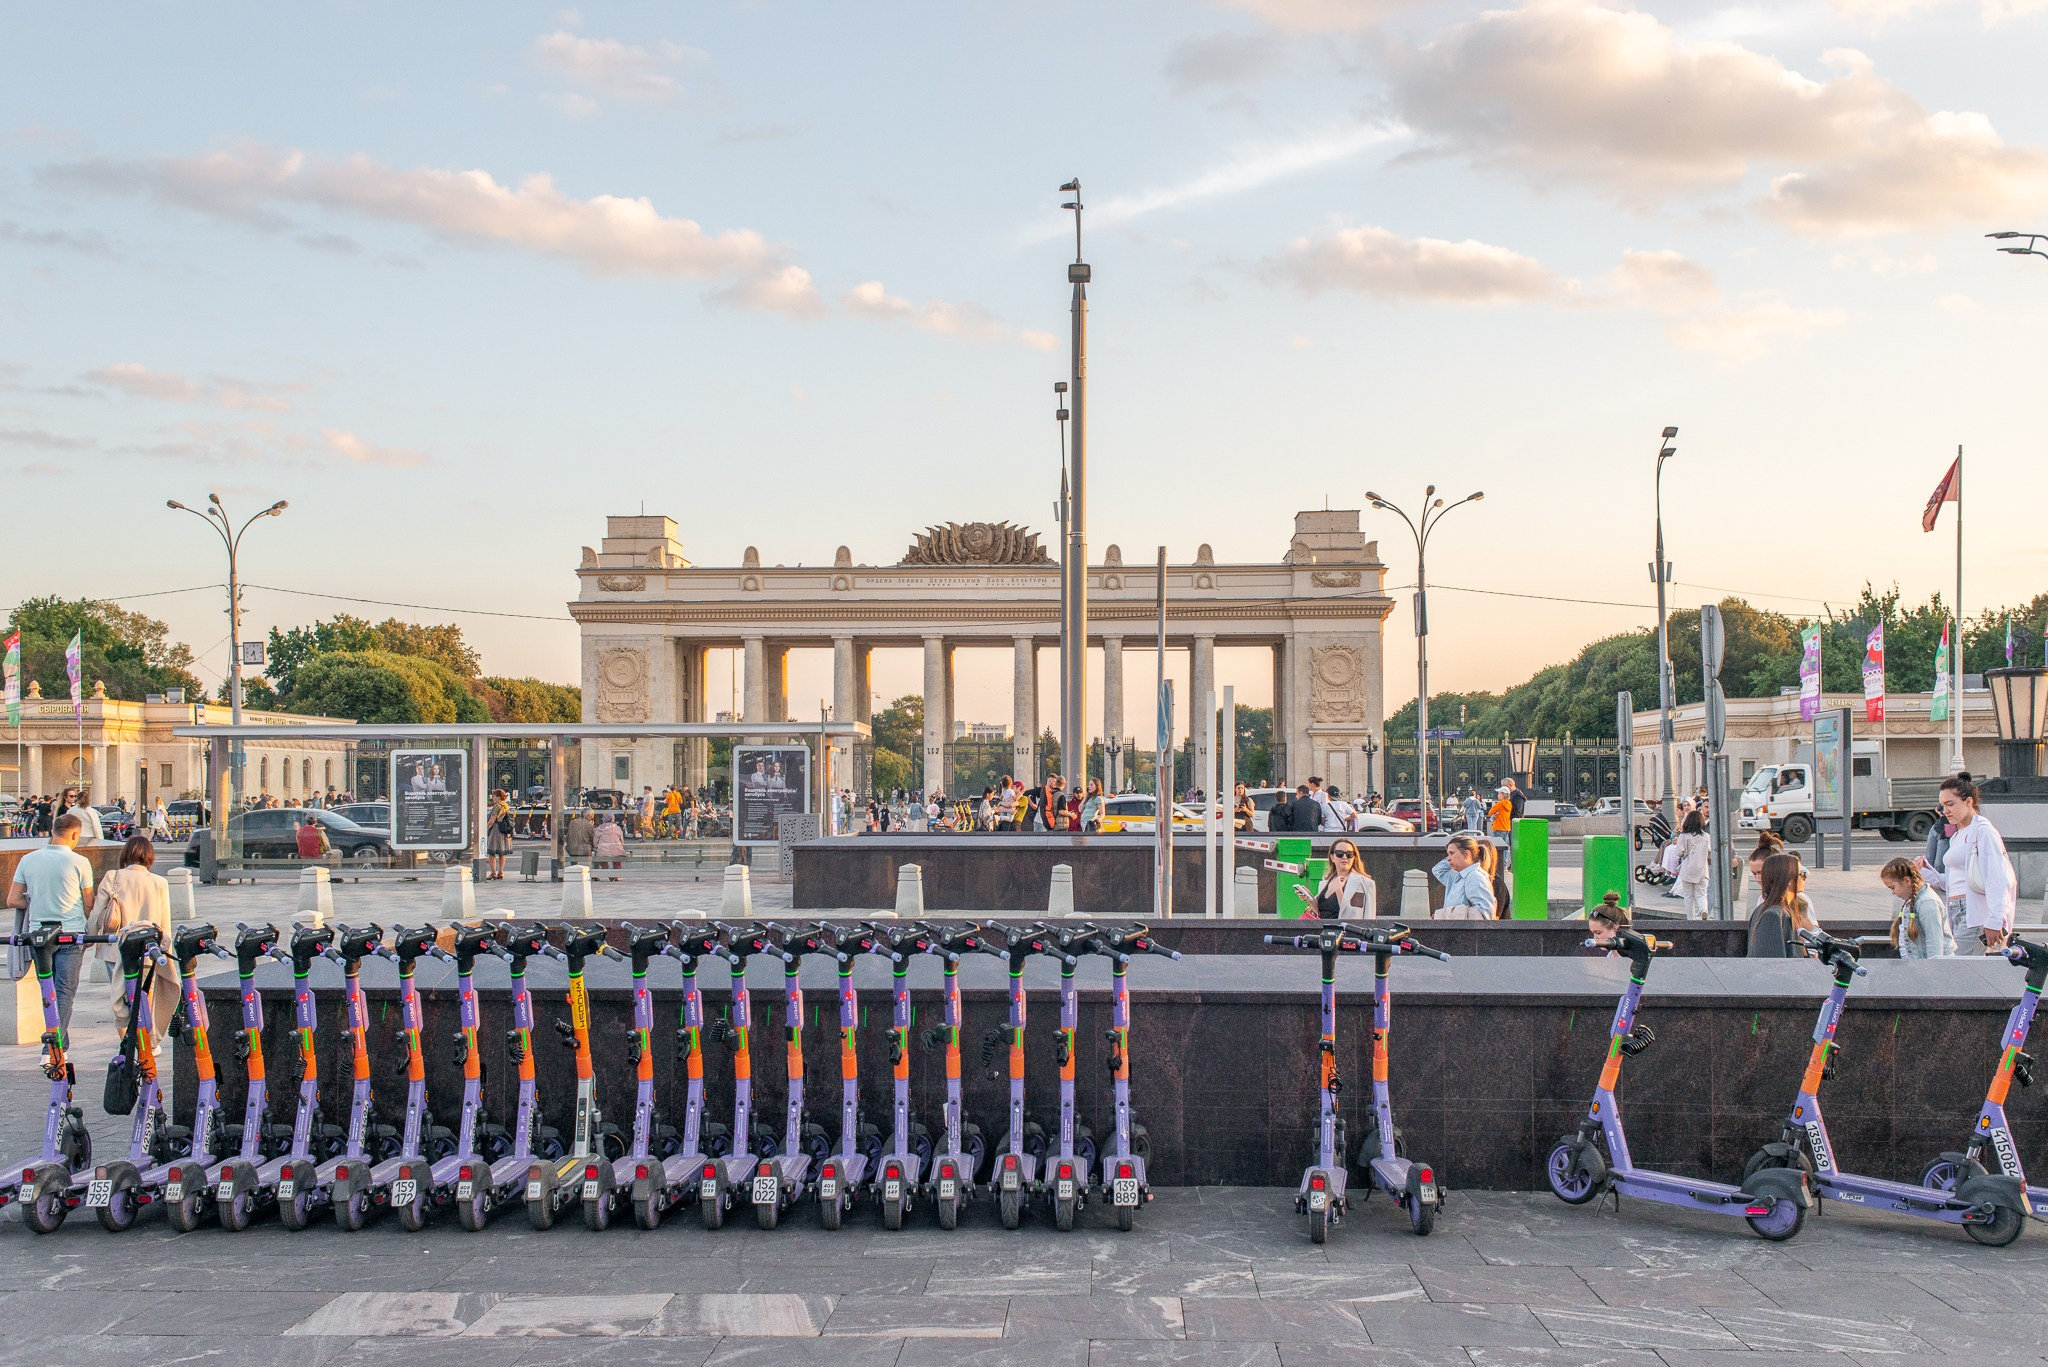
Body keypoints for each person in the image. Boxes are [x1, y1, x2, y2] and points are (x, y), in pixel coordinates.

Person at [6, 812, 95, 1029]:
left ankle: (54, 1041)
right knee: (64, 992)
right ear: (74, 835)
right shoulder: (80, 862)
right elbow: (89, 902)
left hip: (38, 935)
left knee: (48, 990)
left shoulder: (28, 860)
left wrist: (37, 901)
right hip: (71, 933)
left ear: (53, 831)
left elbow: (13, 899)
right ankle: (55, 1043)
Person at [90, 836, 178, 1047]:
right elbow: (164, 923)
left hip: (115, 949)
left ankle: (127, 1044)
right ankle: (146, 1044)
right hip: (148, 950)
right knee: (145, 997)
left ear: (126, 854)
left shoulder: (112, 877)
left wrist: (90, 937)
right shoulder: (159, 882)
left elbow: (96, 914)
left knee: (120, 997)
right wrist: (165, 951)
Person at [1917, 772, 2016, 954]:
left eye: (1950, 804)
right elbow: (1953, 882)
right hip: (1957, 910)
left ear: (1969, 802)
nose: (1945, 811)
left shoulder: (1983, 831)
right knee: (1962, 965)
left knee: (1959, 965)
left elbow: (1997, 877)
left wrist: (1995, 920)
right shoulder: (1958, 834)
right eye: (1943, 806)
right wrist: (1924, 872)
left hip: (1975, 911)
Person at [1881, 856, 1955, 959]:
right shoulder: (1913, 900)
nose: (1893, 892)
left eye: (1893, 887)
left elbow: (1935, 945)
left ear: (1907, 881)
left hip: (1933, 965)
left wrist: (1930, 968)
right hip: (1918, 964)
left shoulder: (1927, 903)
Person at [1748, 852, 1813, 957]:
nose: (1804, 878)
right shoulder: (1772, 916)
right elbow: (1771, 962)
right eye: (1801, 873)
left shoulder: (1784, 910)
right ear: (1788, 879)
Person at [1306, 837, 1376, 919]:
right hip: (1323, 926)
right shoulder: (1325, 881)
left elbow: (1355, 916)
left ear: (1354, 858)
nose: (1344, 857)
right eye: (1339, 853)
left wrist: (1339, 890)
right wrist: (1310, 898)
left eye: (1349, 854)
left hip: (1345, 927)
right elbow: (1321, 912)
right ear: (1332, 857)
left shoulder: (1364, 884)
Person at [1432, 833, 1498, 919]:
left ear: (1467, 854)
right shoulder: (1458, 875)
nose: (1448, 858)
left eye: (1452, 853)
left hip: (1466, 928)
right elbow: (1438, 870)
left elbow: (1485, 915)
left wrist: (1443, 915)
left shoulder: (1475, 877)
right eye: (1448, 854)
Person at [1673, 810, 1711, 920]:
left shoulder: (1683, 836)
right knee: (1701, 894)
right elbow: (1709, 852)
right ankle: (1703, 910)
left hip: (1687, 870)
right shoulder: (1706, 836)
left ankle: (1690, 918)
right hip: (1702, 870)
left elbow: (1679, 852)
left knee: (1688, 896)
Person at [486, 791, 513, 880]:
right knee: (502, 853)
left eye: (494, 796)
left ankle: (493, 873)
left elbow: (492, 821)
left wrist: (486, 828)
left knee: (492, 852)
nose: (493, 798)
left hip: (496, 830)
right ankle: (501, 872)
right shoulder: (506, 805)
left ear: (498, 797)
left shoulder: (497, 806)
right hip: (505, 830)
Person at [592, 812, 626, 880]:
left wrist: (597, 847)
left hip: (603, 851)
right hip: (617, 850)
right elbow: (622, 841)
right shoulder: (618, 828)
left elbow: (595, 842)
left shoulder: (599, 828)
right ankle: (617, 875)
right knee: (617, 860)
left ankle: (607, 872)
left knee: (602, 859)